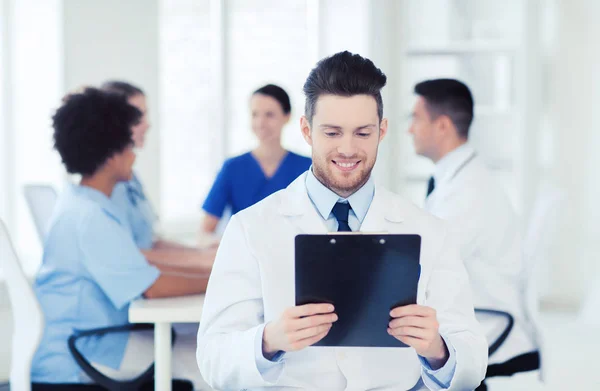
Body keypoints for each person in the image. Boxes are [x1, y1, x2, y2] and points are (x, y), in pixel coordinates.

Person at [196, 52, 487, 390]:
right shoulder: (251, 228)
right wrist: (268, 340)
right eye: (332, 133)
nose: (348, 149)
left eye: (362, 134)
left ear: (383, 130)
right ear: (306, 130)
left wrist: (438, 349)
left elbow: (472, 361)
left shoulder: (430, 231)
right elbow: (213, 359)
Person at [31, 88, 209, 388]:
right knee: (209, 362)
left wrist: (209, 270)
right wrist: (218, 276)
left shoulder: (86, 204)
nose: (134, 154)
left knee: (199, 342)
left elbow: (147, 271)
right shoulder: (90, 217)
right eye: (128, 145)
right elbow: (153, 286)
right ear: (110, 155)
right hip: (83, 353)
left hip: (94, 340)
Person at [408, 79, 540, 385]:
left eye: (415, 119)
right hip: (476, 314)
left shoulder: (469, 193)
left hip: (490, 326)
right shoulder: (457, 180)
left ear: (441, 126)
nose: (409, 129)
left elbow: (424, 268)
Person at [102, 80, 215, 270]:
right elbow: (129, 255)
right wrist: (203, 263)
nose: (148, 124)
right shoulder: (108, 184)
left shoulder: (129, 176)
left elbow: (150, 242)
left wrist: (201, 253)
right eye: (139, 116)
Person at [200, 84, 311, 233]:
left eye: (269, 115)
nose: (260, 123)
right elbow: (205, 231)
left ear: (287, 116)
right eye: (255, 114)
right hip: (244, 254)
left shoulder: (308, 168)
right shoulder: (232, 168)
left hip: (293, 254)